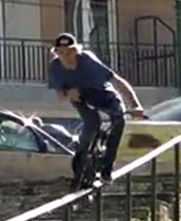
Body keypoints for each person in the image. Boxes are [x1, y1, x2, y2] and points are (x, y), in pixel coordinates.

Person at [47, 33, 145, 183]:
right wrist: (68, 94)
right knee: (92, 123)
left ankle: (107, 167)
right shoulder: (55, 67)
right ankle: (81, 154)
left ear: (76, 51)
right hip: (81, 97)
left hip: (104, 95)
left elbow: (117, 81)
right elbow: (60, 96)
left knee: (119, 121)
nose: (65, 57)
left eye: (68, 52)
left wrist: (135, 105)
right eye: (60, 52)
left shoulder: (87, 61)